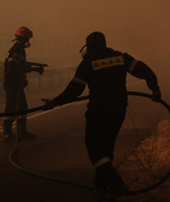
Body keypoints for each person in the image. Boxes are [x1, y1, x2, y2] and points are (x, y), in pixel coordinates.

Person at [42, 32, 162, 200]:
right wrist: (154, 89)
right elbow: (145, 71)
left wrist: (54, 102)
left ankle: (115, 183)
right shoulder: (120, 57)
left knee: (94, 149)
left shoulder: (87, 64)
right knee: (106, 150)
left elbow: (73, 91)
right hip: (119, 110)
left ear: (88, 47)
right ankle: (100, 188)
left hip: (99, 111)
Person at [2, 26, 43, 141]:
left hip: (17, 83)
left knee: (22, 107)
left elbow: (21, 66)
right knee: (11, 107)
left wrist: (29, 71)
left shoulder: (20, 50)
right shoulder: (15, 51)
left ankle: (21, 132)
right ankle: (7, 133)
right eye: (27, 39)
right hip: (12, 84)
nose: (28, 41)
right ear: (22, 39)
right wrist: (34, 69)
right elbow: (14, 69)